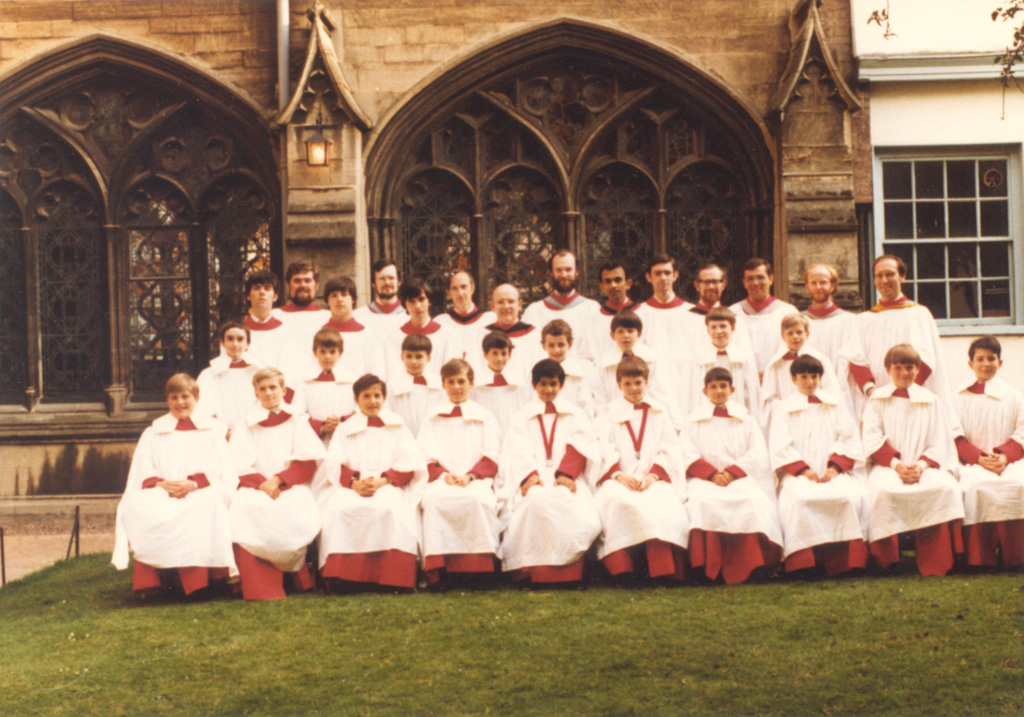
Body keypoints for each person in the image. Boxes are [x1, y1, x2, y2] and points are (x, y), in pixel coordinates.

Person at [112, 373, 236, 597]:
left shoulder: (211, 432)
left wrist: (193, 484)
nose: (180, 402)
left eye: (185, 396)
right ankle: (151, 583)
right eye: (174, 397)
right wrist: (160, 484)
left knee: (207, 505)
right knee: (139, 506)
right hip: (164, 491)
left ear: (196, 398)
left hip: (199, 490)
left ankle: (198, 584)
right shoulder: (153, 432)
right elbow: (143, 467)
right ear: (167, 401)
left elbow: (221, 467)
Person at [861, 344, 965, 576]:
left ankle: (935, 561)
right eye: (898, 367)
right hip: (889, 466)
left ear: (918, 370)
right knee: (882, 492)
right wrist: (897, 466)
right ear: (888, 369)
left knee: (943, 488)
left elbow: (939, 442)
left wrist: (919, 466)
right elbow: (872, 438)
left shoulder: (930, 400)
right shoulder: (877, 400)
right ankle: (888, 561)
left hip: (924, 466)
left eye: (910, 367)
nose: (904, 373)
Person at [315, 374, 426, 590]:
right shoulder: (345, 428)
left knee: (389, 507)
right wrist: (355, 484)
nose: (372, 401)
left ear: (384, 398)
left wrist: (384, 481)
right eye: (366, 396)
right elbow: (334, 463)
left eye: (377, 395)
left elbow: (411, 462)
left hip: (388, 485)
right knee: (341, 510)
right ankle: (343, 578)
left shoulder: (397, 426)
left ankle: (391, 578)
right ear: (356, 399)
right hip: (352, 486)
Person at [497, 359, 602, 586]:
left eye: (553, 384)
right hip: (533, 476)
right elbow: (517, 447)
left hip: (566, 477)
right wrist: (528, 476)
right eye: (543, 384)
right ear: (534, 385)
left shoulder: (575, 414)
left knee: (568, 500)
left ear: (562, 385)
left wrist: (566, 474)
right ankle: (534, 572)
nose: (548, 389)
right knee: (534, 499)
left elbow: (581, 444)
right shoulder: (522, 415)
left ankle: (571, 572)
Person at [228, 368, 325, 600]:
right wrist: (263, 484)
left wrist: (279, 480)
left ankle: (297, 578)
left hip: (290, 484)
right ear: (256, 393)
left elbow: (307, 461)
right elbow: (237, 463)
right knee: (246, 509)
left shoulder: (297, 419)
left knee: (295, 508)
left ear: (283, 390)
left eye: (273, 387)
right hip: (255, 486)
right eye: (262, 389)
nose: (269, 393)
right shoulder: (246, 423)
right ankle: (260, 586)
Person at [680, 367, 782, 584]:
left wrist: (731, 473)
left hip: (739, 478)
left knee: (751, 501)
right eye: (713, 387)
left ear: (732, 389)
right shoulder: (692, 421)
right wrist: (711, 474)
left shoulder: (746, 419)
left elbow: (757, 452)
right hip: (705, 480)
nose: (718, 391)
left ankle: (754, 565)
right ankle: (706, 569)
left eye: (723, 386)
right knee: (701, 502)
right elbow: (686, 452)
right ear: (704, 391)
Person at [768, 355, 868, 576]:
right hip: (798, 475)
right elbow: (780, 445)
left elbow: (848, 439)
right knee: (800, 501)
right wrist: (804, 471)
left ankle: (846, 564)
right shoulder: (783, 409)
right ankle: (803, 565)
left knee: (846, 498)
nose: (810, 382)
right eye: (803, 377)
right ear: (793, 379)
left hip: (833, 472)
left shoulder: (834, 404)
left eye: (814, 376)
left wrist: (834, 468)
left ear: (821, 378)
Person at [591, 356, 689, 582]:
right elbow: (601, 446)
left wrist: (654, 474)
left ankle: (661, 569)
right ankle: (623, 570)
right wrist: (618, 474)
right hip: (618, 478)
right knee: (617, 502)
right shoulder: (607, 412)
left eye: (638, 382)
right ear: (619, 385)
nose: (633, 388)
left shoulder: (659, 412)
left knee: (661, 501)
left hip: (651, 477)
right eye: (627, 383)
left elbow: (670, 448)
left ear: (646, 382)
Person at [840, 255, 957, 425]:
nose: (884, 280)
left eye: (890, 274)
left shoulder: (918, 314)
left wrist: (904, 392)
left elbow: (925, 359)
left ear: (902, 276)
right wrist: (872, 391)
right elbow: (855, 359)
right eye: (879, 275)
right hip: (876, 400)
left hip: (911, 397)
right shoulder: (863, 321)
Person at [417, 359, 501, 585]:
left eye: (461, 381)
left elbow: (492, 454)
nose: (456, 387)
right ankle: (441, 571)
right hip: (442, 479)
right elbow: (424, 454)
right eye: (451, 382)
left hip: (475, 479)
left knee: (477, 499)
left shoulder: (484, 416)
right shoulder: (432, 417)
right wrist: (445, 475)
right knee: (435, 501)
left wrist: (470, 477)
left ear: (471, 383)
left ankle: (479, 571)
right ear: (443, 384)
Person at [952, 336, 1024, 568]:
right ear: (970, 364)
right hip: (973, 463)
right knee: (976, 488)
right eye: (980, 359)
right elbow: (955, 435)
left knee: (1018, 486)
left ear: (1000, 363)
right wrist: (980, 459)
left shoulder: (1013, 396)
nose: (986, 364)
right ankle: (981, 558)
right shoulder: (958, 398)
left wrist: (1004, 456)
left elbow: (1022, 431)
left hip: (1008, 461)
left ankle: (1015, 555)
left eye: (991, 359)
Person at [590, 310, 681, 427]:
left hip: (646, 416)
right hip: (616, 419)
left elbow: (661, 392)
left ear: (639, 334)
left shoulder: (650, 359)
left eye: (630, 331)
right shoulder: (604, 364)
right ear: (612, 336)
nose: (626, 335)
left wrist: (674, 422)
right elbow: (599, 397)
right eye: (620, 331)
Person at [679, 308, 760, 420]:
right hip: (704, 416)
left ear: (732, 328)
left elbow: (751, 393)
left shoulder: (741, 357)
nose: (718, 331)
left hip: (735, 416)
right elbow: (687, 391)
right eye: (714, 327)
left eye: (723, 326)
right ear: (708, 330)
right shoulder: (697, 357)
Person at [759, 313, 842, 423]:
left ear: (807, 334)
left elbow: (831, 391)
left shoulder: (819, 359)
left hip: (815, 414)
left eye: (799, 332)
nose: (795, 336)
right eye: (790, 333)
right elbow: (768, 396)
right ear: (783, 337)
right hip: (786, 415)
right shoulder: (776, 363)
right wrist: (784, 407)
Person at [521, 250, 599, 360]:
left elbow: (596, 353)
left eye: (568, 269)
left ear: (576, 272)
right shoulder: (534, 312)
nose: (563, 275)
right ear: (552, 273)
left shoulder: (592, 309)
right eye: (559, 270)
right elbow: (528, 353)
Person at [730, 258, 797, 378]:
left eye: (760, 277)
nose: (755, 283)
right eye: (750, 279)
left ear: (771, 279)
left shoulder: (787, 312)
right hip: (742, 379)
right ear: (744, 283)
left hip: (779, 376)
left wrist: (769, 373)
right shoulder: (733, 313)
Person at [196, 319, 262, 436]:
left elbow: (262, 405)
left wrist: (247, 429)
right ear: (222, 342)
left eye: (240, 339)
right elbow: (201, 409)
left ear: (248, 343)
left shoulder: (257, 372)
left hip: (252, 432)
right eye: (230, 339)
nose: (235, 344)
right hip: (221, 435)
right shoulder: (209, 374)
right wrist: (223, 431)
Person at [292, 327, 357, 445]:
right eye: (322, 351)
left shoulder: (350, 379)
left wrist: (342, 422)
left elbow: (359, 408)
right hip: (315, 438)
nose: (327, 356)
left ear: (340, 353)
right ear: (315, 353)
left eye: (332, 352)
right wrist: (321, 426)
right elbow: (298, 412)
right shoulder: (306, 380)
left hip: (345, 436)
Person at [320, 275, 385, 379]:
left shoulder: (369, 336)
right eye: (334, 295)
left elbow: (377, 373)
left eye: (344, 294)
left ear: (353, 299)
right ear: (327, 301)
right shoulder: (318, 334)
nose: (339, 299)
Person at [384, 277, 450, 380]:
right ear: (404, 304)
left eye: (421, 299)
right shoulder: (395, 337)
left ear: (429, 300)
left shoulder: (445, 335)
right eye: (411, 301)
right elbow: (393, 373)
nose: (418, 306)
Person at [634, 254, 693, 368]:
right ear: (648, 277)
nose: (663, 277)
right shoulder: (639, 313)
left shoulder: (690, 311)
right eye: (658, 273)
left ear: (675, 276)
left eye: (667, 273)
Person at [470, 330, 531, 434]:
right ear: (485, 354)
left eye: (503, 353)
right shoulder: (476, 384)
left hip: (512, 432)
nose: (499, 358)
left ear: (510, 355)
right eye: (495, 353)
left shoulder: (518, 383)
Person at [580, 261, 642, 364]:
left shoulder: (643, 313)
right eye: (608, 281)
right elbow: (588, 355)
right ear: (602, 287)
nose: (613, 285)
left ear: (628, 284)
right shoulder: (594, 318)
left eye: (618, 280)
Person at [481, 283, 544, 381]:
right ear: (492, 306)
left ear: (519, 304)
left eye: (511, 301)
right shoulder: (482, 335)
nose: (506, 307)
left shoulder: (533, 335)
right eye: (500, 302)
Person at [801, 262, 855, 371]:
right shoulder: (799, 320)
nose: (818, 287)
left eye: (823, 282)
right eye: (813, 283)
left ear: (833, 285)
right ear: (807, 286)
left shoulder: (849, 320)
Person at [434, 270, 496, 362]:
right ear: (449, 293)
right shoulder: (440, 322)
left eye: (464, 287)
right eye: (455, 288)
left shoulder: (490, 320)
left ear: (472, 288)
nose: (460, 293)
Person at [389, 333, 444, 436]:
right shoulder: (392, 386)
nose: (413, 361)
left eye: (419, 357)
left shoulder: (438, 385)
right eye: (409, 356)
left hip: (432, 437)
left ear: (428, 358)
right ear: (402, 357)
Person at [274, 260, 327, 367]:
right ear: (288, 285)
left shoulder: (328, 318)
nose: (302, 285)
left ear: (316, 285)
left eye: (307, 280)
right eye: (297, 281)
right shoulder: (274, 317)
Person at [540, 319, 595, 417]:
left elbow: (587, 407)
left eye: (561, 345)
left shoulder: (579, 374)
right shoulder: (538, 373)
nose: (556, 350)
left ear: (570, 344)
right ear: (543, 346)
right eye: (551, 345)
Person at [242, 269, 289, 371]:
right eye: (256, 288)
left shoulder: (287, 330)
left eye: (267, 288)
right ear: (248, 296)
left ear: (275, 296)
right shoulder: (238, 331)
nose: (262, 292)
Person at [352, 258, 407, 325]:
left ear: (399, 282)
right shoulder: (359, 317)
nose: (387, 283)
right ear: (373, 284)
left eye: (391, 278)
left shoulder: (409, 315)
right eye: (382, 279)